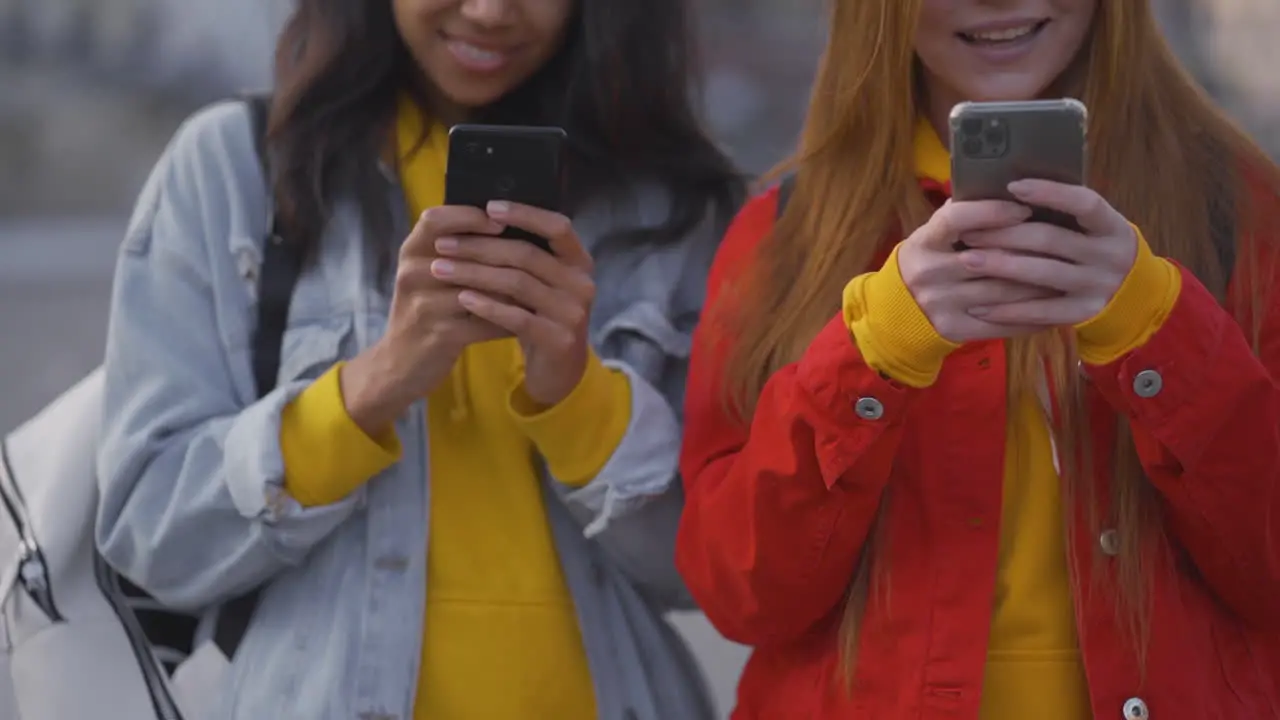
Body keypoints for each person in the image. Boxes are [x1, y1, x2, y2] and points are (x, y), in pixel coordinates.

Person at [95, 0, 743, 718]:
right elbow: (148, 532)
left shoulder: (677, 206)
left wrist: (580, 401)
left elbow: (714, 573)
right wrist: (369, 389)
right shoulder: (232, 171)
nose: (492, 12)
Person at [675, 0, 1280, 718]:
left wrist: (1155, 325)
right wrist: (874, 351)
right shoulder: (785, 235)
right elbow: (740, 593)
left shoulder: (1237, 209)